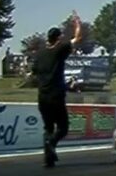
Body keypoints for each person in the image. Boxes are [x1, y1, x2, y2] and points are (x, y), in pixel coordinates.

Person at [31, 12, 83, 167]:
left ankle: (49, 159)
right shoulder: (60, 49)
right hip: (56, 96)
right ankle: (51, 143)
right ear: (58, 38)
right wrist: (78, 23)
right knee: (63, 127)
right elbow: (77, 38)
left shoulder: (40, 54)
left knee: (48, 127)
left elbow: (34, 72)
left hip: (42, 96)